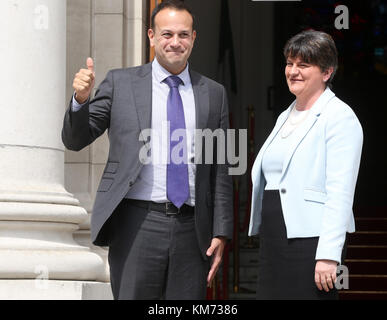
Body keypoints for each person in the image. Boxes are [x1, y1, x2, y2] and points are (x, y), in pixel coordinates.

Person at [62, 0, 233, 300]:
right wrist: (80, 99)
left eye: (183, 34)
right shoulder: (120, 82)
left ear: (194, 38)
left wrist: (221, 230)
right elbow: (76, 139)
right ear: (151, 37)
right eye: (167, 34)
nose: (175, 42)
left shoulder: (214, 93)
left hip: (192, 230)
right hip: (136, 225)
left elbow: (220, 168)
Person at [248, 30, 363, 300]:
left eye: (303, 64)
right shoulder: (286, 115)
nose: (293, 71)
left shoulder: (339, 117)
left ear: (326, 72)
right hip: (275, 238)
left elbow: (340, 192)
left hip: (310, 244)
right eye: (290, 63)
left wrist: (328, 255)